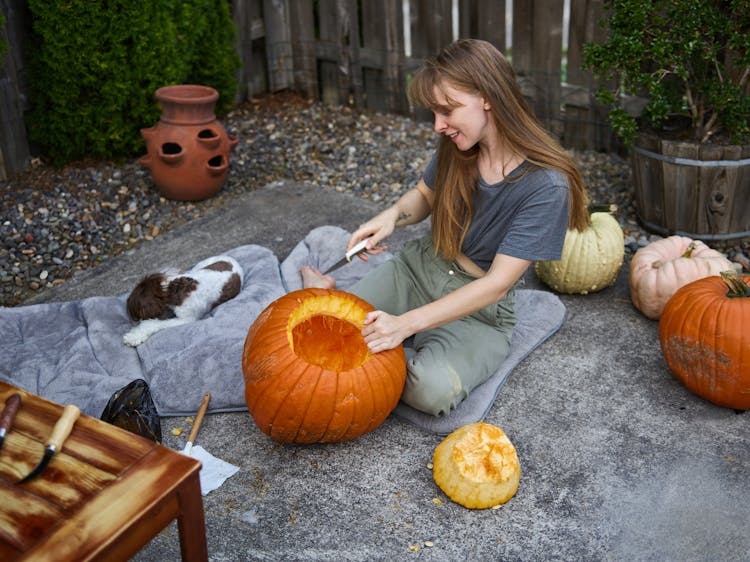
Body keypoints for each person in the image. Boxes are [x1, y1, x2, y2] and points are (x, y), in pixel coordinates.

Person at [301, 38, 589, 416]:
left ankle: (399, 335)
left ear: (486, 95)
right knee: (323, 330)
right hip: (419, 269)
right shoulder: (459, 144)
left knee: (431, 391)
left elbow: (496, 284)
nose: (438, 125)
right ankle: (332, 297)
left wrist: (402, 326)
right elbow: (424, 196)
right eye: (434, 113)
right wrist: (391, 216)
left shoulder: (546, 185)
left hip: (478, 309)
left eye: (447, 111)